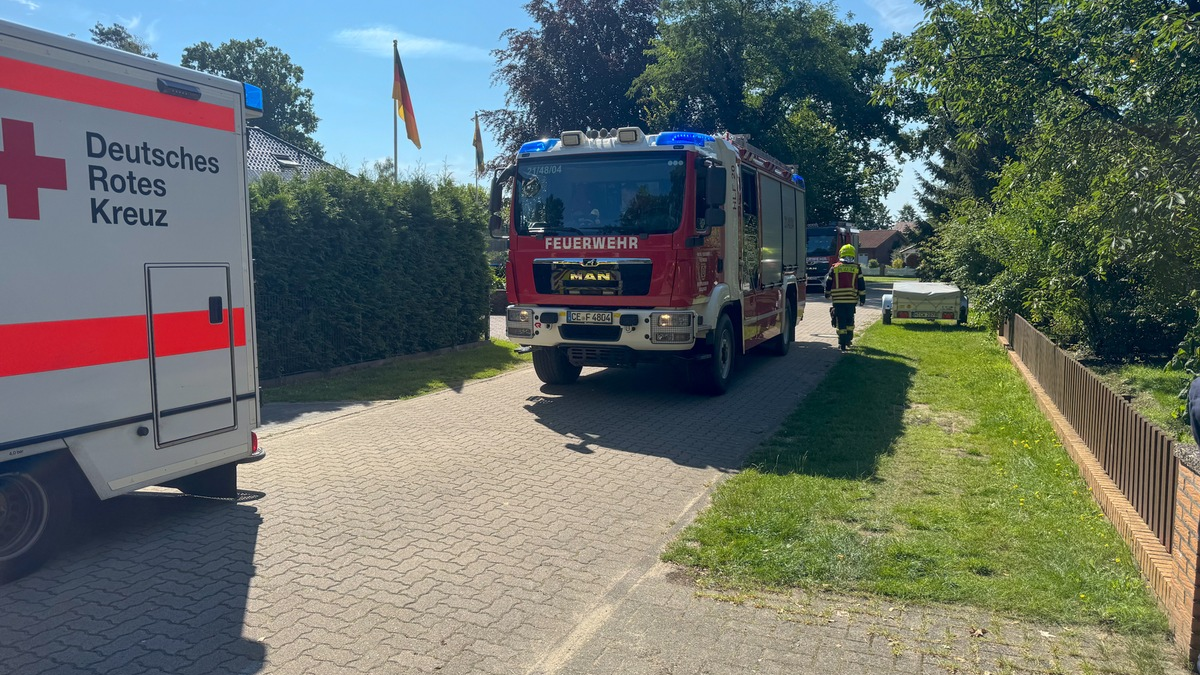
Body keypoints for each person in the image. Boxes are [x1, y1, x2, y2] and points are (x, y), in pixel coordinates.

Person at [824, 244, 867, 351]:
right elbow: (861, 284)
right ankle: (848, 340)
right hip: (851, 300)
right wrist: (862, 299)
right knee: (849, 320)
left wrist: (827, 293)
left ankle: (841, 343)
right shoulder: (857, 268)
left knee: (840, 321)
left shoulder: (835, 267)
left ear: (840, 254)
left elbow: (829, 282)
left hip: (838, 300)